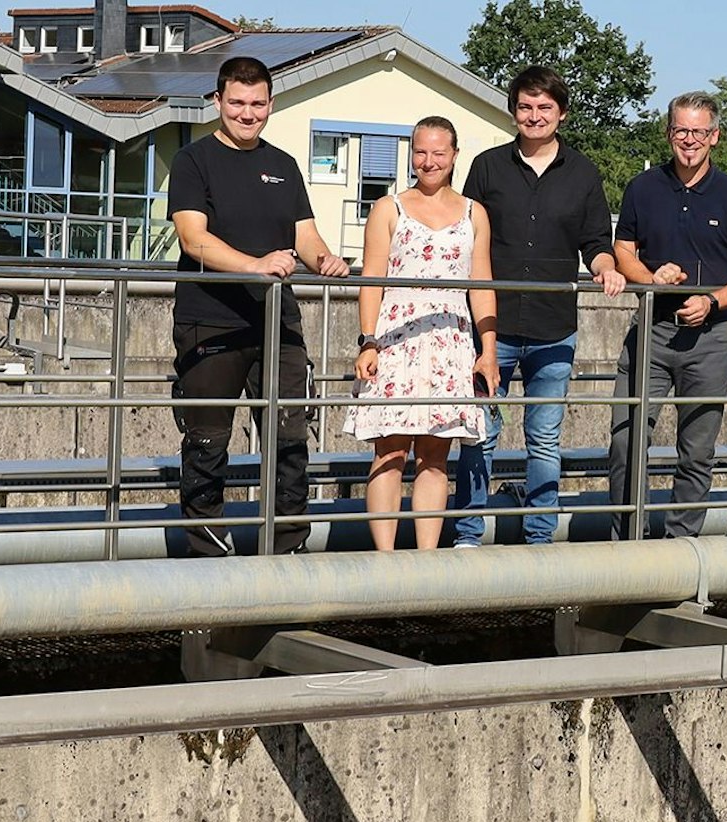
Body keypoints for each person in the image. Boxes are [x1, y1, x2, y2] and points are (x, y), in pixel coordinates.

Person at [168, 56, 351, 557]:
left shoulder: (284, 165)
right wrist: (255, 265)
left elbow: (306, 239)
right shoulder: (193, 161)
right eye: (237, 103)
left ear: (270, 104)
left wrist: (326, 260)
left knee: (290, 438)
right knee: (207, 443)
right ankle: (208, 553)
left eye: (257, 104)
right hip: (210, 321)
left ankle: (288, 546)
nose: (247, 113)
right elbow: (193, 239)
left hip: (277, 323)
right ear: (217, 102)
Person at [452, 66, 625, 548]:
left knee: (544, 438)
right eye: (525, 107)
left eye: (544, 107)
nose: (534, 115)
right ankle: (468, 535)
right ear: (513, 112)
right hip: (491, 325)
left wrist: (606, 266)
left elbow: (596, 240)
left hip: (554, 328)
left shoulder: (585, 173)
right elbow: (466, 237)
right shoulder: (487, 167)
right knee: (479, 434)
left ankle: (540, 537)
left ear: (561, 114)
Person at [607, 91, 727, 540]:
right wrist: (650, 277)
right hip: (653, 331)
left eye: (699, 132)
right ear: (668, 133)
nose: (689, 140)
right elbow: (623, 252)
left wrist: (713, 301)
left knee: (696, 452)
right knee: (626, 441)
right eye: (681, 130)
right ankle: (627, 543)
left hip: (710, 339)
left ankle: (681, 547)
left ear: (714, 137)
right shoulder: (643, 188)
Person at [345, 118, 496, 551]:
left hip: (450, 341)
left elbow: (482, 286)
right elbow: (372, 278)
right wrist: (368, 339)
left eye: (438, 153)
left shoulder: (474, 213)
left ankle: (426, 561)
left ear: (454, 155)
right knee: (389, 453)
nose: (428, 162)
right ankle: (386, 559)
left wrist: (487, 351)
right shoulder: (388, 207)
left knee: (435, 457)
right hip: (396, 340)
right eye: (420, 152)